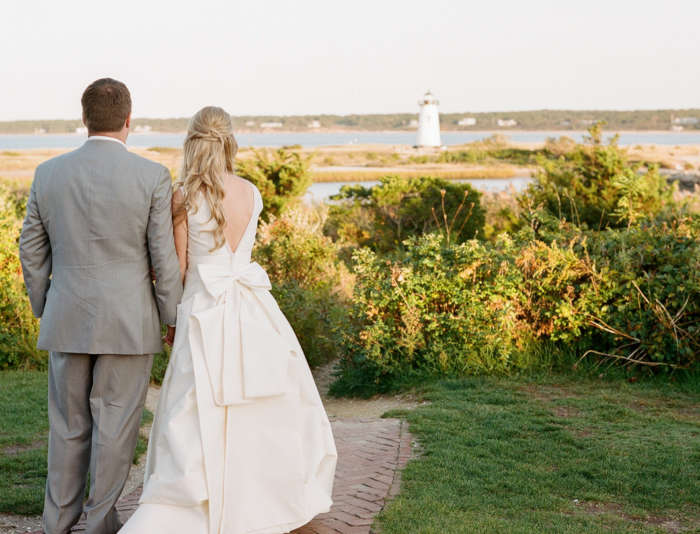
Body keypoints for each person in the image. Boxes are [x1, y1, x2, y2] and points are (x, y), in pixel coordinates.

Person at [119, 106, 337, 534]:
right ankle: (260, 502)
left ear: (193, 142)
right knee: (261, 401)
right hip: (253, 311)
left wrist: (171, 321)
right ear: (229, 141)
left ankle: (192, 504)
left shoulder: (183, 196)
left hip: (204, 313)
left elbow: (179, 272)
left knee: (196, 407)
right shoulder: (251, 192)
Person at [19, 78, 183, 534]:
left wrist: (44, 304)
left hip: (66, 315)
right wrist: (172, 316)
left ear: (84, 118)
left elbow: (31, 249)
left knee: (68, 427)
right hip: (129, 322)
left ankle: (57, 524)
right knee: (115, 428)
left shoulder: (48, 173)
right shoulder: (152, 176)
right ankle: (97, 524)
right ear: (129, 120)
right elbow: (162, 257)